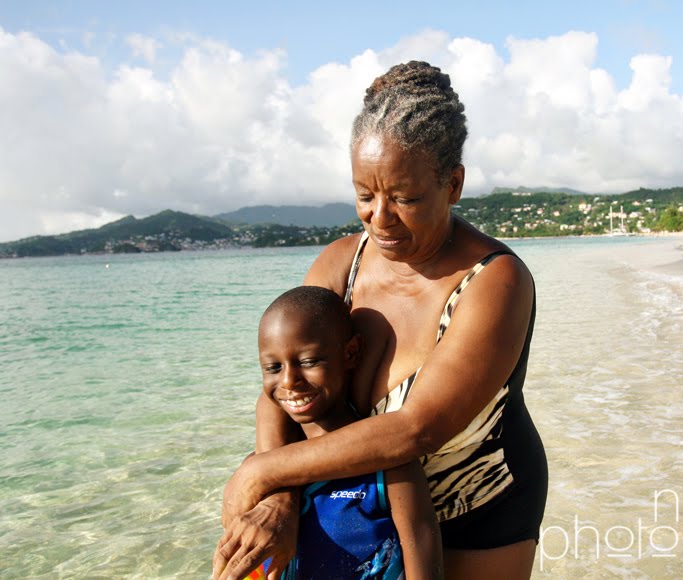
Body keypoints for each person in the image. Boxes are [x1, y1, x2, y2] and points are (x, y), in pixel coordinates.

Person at [215, 61, 548, 580]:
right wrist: (279, 497)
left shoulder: (496, 281)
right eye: (365, 195)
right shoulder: (339, 264)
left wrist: (261, 472)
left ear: (453, 184)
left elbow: (416, 429)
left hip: (474, 502)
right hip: (354, 504)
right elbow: (283, 383)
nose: (380, 217)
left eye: (405, 198)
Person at [242, 285, 442, 579]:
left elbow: (424, 560)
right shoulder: (260, 473)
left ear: (351, 353)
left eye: (308, 361)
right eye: (273, 367)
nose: (288, 381)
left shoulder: (389, 467)